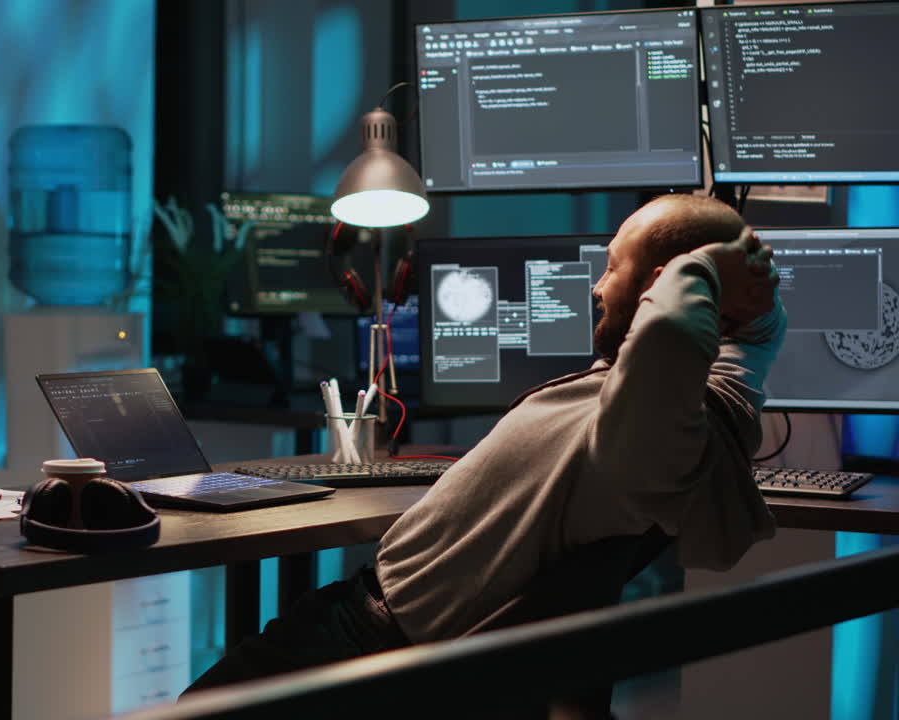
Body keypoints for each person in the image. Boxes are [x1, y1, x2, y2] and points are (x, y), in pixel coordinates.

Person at [183, 193, 786, 694]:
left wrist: (701, 267)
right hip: (371, 630)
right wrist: (739, 281)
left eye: (612, 267)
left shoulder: (651, 428)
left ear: (661, 285)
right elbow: (754, 333)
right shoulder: (712, 395)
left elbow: (669, 335)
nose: (597, 287)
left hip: (367, 647)